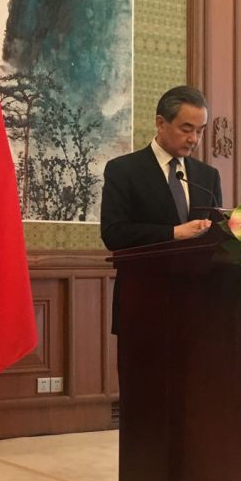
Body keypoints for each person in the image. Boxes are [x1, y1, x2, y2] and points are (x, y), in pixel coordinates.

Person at [100, 85, 222, 332]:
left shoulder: (207, 176)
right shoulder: (123, 170)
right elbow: (114, 234)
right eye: (186, 129)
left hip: (199, 308)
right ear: (160, 123)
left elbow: (217, 237)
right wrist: (174, 233)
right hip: (143, 304)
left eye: (200, 131)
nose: (194, 139)